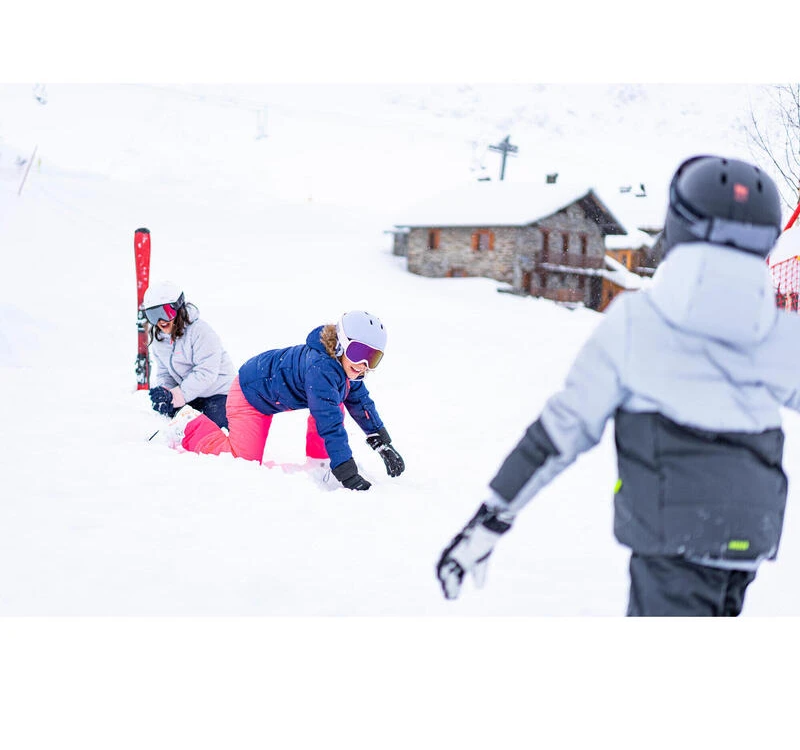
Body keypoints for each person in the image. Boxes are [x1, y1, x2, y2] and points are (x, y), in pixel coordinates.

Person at [437, 154, 800, 616]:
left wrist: (490, 520)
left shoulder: (638, 322)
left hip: (672, 535)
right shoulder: (782, 332)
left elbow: (560, 432)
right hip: (751, 531)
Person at [163, 310, 405, 492]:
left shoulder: (348, 370)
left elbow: (361, 404)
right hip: (250, 394)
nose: (363, 365)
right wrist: (347, 472)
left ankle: (320, 464)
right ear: (341, 344)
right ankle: (189, 426)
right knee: (241, 461)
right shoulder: (321, 368)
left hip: (275, 394)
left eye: (372, 358)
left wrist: (382, 443)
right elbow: (329, 423)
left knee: (337, 400)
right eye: (358, 353)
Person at [143, 281, 235, 429]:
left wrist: (177, 396)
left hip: (220, 393)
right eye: (153, 315)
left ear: (178, 308)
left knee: (209, 430)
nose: (160, 321)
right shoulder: (160, 341)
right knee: (177, 427)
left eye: (165, 313)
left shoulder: (200, 332)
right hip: (191, 395)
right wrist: (164, 392)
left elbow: (206, 373)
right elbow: (164, 372)